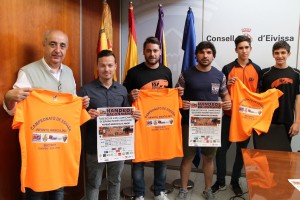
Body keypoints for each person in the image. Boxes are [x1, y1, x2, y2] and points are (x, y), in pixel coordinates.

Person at [3, 29, 89, 200]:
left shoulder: (69, 73)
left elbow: (71, 105)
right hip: (39, 151)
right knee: (35, 192)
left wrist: (81, 104)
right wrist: (8, 97)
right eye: (53, 44)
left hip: (61, 150)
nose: (58, 50)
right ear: (44, 45)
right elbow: (14, 111)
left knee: (59, 192)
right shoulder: (27, 72)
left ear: (66, 49)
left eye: (62, 46)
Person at [123, 36, 183, 200]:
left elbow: (168, 96)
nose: (152, 54)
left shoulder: (166, 71)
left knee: (161, 157)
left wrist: (177, 94)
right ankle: (139, 194)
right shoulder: (133, 72)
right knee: (138, 159)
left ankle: (159, 191)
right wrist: (130, 95)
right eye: (148, 50)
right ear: (143, 51)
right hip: (141, 122)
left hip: (162, 122)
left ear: (160, 52)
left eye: (155, 50)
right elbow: (122, 96)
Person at [78, 50, 141, 200]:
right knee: (94, 183)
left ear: (115, 67)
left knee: (115, 181)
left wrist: (134, 117)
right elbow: (76, 118)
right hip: (94, 146)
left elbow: (127, 116)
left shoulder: (122, 90)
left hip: (118, 145)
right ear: (97, 67)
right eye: (102, 66)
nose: (106, 69)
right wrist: (86, 114)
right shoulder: (85, 90)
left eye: (110, 65)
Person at [175, 41, 231, 200]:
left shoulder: (219, 75)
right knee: (188, 157)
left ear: (213, 56)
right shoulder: (186, 74)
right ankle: (184, 190)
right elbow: (175, 95)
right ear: (196, 55)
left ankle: (208, 189)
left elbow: (225, 94)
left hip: (211, 124)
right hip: (189, 123)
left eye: (208, 52)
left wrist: (228, 101)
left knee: (209, 157)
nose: (205, 56)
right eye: (201, 52)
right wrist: (181, 102)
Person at [212, 35, 261, 196]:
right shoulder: (227, 68)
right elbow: (218, 90)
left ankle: (235, 180)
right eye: (241, 48)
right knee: (221, 150)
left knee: (242, 151)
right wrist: (227, 84)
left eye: (247, 47)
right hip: (228, 116)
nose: (244, 50)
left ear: (251, 49)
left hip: (246, 119)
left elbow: (259, 95)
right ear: (236, 50)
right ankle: (220, 181)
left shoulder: (257, 69)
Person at [258, 41, 300, 147]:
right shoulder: (264, 73)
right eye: (276, 53)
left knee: (283, 157)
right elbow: (258, 98)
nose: (280, 56)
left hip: (287, 121)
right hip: (266, 121)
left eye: (283, 52)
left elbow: (297, 99)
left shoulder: (296, 74)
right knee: (265, 156)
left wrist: (297, 122)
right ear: (273, 54)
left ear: (289, 54)